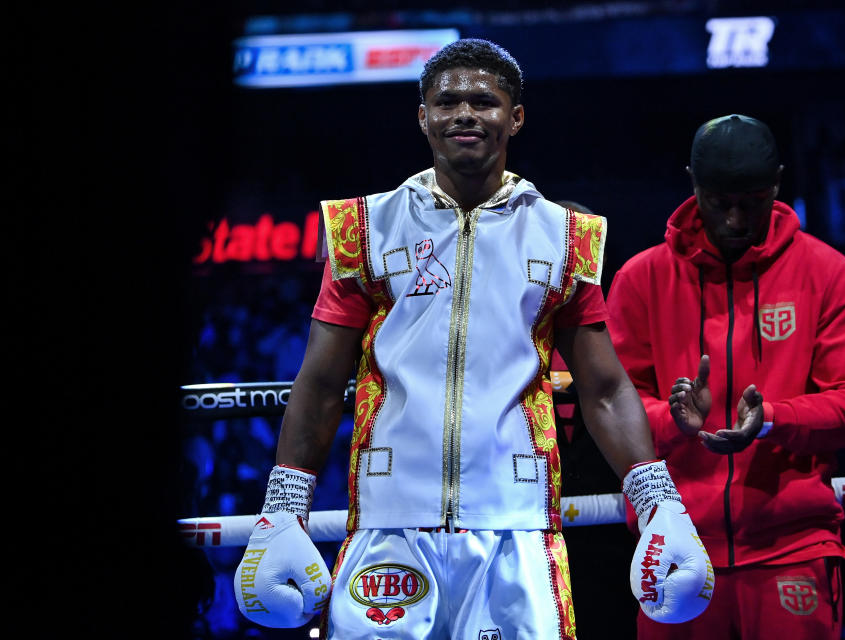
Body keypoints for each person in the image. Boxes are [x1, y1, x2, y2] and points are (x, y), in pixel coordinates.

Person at [232, 39, 713, 639]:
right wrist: (283, 507)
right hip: (388, 524)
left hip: (517, 526)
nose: (464, 113)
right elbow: (324, 381)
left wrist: (657, 498)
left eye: (484, 101)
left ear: (515, 117)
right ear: (422, 116)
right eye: (447, 100)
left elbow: (606, 387)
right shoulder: (363, 228)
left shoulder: (566, 236)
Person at [605, 114, 845, 640]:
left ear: (777, 184)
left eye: (752, 202)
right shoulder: (641, 279)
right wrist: (673, 421)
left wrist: (773, 419)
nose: (735, 219)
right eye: (720, 202)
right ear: (693, 184)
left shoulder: (828, 274)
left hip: (792, 544)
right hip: (674, 543)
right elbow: (612, 405)